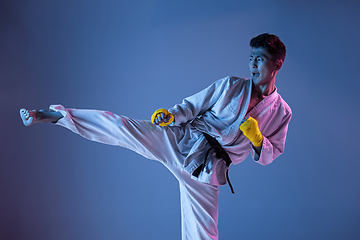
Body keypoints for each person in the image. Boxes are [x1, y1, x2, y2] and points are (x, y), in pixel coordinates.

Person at [20, 33, 292, 240]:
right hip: (182, 139)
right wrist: (171, 116)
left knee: (203, 234)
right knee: (121, 127)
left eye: (261, 59)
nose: (253, 64)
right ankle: (55, 116)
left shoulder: (281, 112)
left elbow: (271, 154)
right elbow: (193, 105)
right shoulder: (231, 85)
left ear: (277, 63)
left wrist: (257, 139)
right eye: (251, 57)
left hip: (208, 170)